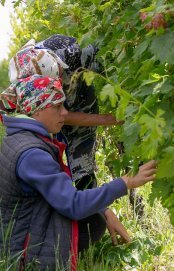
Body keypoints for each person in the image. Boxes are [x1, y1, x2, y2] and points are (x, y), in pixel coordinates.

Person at [0, 75, 156, 271]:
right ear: (37, 109)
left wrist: (104, 210)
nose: (65, 113)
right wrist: (125, 183)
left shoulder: (20, 138)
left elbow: (61, 192)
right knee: (89, 220)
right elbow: (73, 204)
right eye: (57, 106)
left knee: (94, 215)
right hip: (8, 262)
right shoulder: (33, 154)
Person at [10, 37, 131, 246]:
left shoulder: (72, 53)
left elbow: (112, 58)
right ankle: (86, 217)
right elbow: (63, 116)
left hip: (79, 104)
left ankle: (94, 212)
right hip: (53, 116)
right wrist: (107, 120)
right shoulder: (23, 80)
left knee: (81, 167)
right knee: (53, 171)